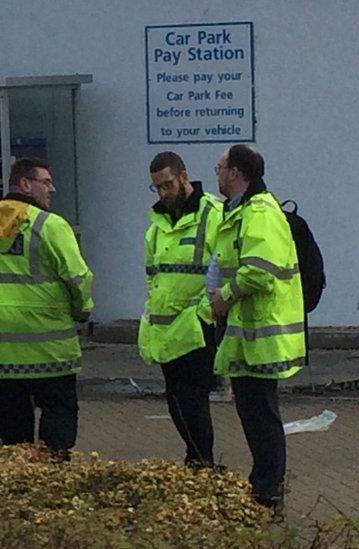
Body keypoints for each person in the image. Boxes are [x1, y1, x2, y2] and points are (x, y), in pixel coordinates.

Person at [0, 157, 94, 457]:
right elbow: (79, 279)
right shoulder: (49, 225)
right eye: (45, 182)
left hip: (3, 355)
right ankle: (51, 484)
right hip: (52, 351)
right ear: (24, 184)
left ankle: (19, 488)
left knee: (13, 434)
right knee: (57, 429)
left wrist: (0, 311)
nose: (53, 189)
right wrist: (81, 311)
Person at [208, 144, 306, 511]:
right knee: (254, 415)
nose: (216, 173)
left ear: (236, 172)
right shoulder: (240, 211)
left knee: (262, 416)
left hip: (262, 335)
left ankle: (267, 492)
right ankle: (263, 487)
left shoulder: (260, 212)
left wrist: (224, 296)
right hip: (248, 335)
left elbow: (258, 272)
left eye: (219, 167)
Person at [138, 151, 222, 468]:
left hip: (197, 325)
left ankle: (202, 460)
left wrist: (204, 312)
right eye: (157, 187)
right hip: (166, 327)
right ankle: (197, 458)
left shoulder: (212, 213)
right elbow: (152, 275)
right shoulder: (157, 224)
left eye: (167, 185)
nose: (162, 193)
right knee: (175, 398)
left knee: (191, 398)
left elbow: (223, 265)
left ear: (183, 177)